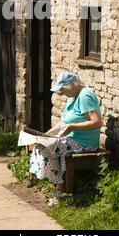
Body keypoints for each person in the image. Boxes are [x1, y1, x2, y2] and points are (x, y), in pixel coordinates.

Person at [29, 71, 102, 205]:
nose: (61, 93)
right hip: (70, 139)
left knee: (47, 148)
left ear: (71, 85)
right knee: (41, 144)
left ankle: (61, 189)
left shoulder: (85, 96)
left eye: (63, 89)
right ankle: (59, 186)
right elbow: (63, 122)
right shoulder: (72, 96)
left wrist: (73, 127)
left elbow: (97, 122)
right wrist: (48, 134)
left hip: (84, 143)